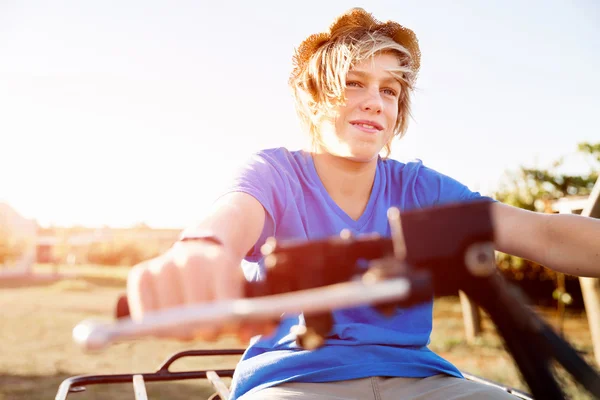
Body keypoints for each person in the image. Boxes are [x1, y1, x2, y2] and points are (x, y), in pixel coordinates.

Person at [126, 8, 600, 400]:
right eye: (355, 83)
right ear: (312, 101)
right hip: (295, 382)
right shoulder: (274, 174)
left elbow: (545, 233)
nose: (374, 101)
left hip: (420, 381)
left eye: (389, 91)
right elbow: (228, 219)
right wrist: (200, 251)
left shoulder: (420, 189)